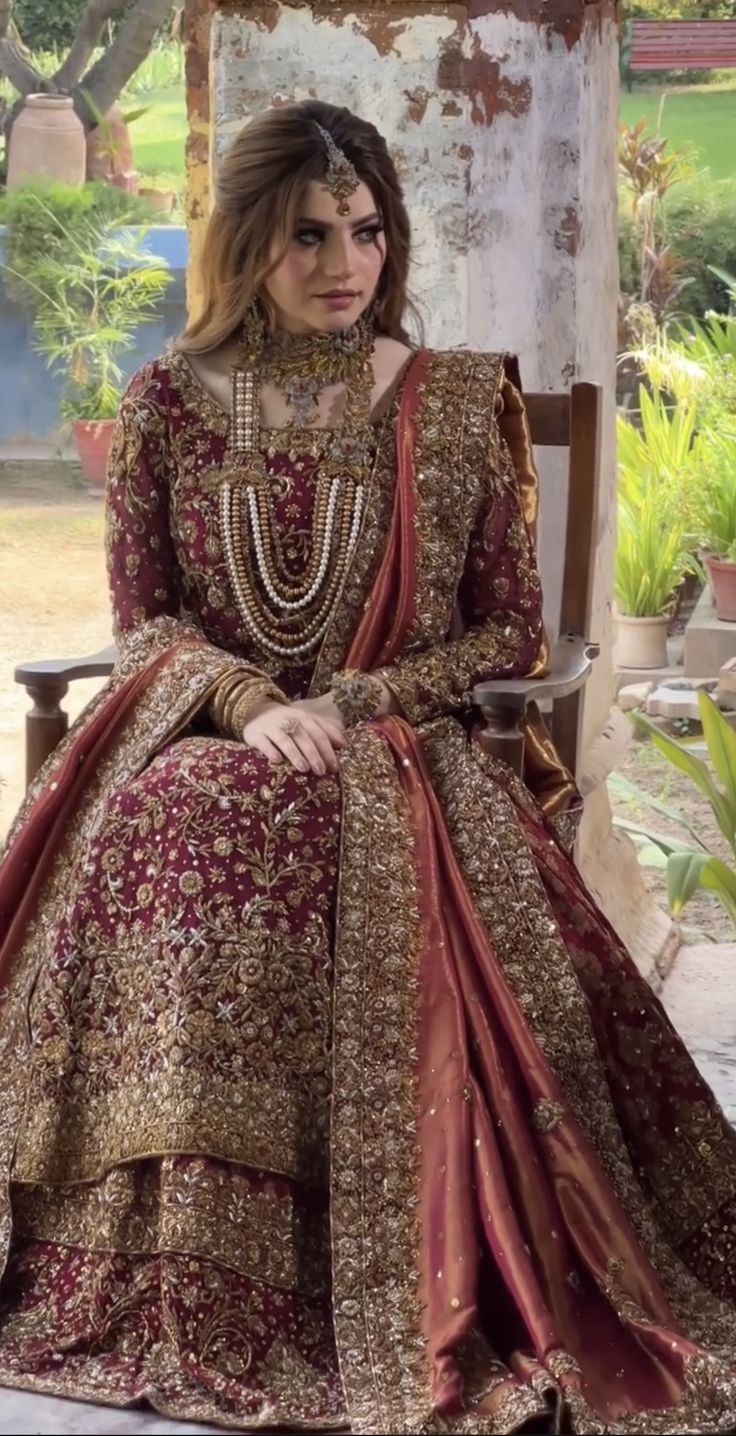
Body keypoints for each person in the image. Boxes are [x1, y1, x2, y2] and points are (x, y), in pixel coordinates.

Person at [0, 99, 735, 1436]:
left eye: (366, 229)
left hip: (399, 746)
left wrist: (347, 703)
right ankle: (173, 1267)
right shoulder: (166, 402)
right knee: (183, 811)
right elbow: (144, 621)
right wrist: (236, 697)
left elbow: (510, 630)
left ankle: (340, 1269)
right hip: (210, 729)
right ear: (246, 248)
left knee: (276, 828)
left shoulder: (452, 403)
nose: (348, 261)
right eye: (308, 237)